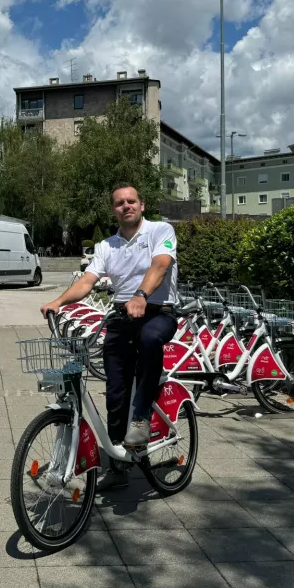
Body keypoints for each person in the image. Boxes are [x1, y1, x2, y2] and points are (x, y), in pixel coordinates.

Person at [40, 183, 178, 491]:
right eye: (119, 203)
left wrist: (141, 295)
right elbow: (87, 281)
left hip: (158, 312)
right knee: (115, 393)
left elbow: (160, 266)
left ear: (141, 205)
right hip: (121, 317)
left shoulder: (160, 231)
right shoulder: (106, 246)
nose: (126, 206)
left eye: (131, 201)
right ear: (113, 210)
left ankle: (141, 418)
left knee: (150, 339)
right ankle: (118, 467)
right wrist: (58, 302)